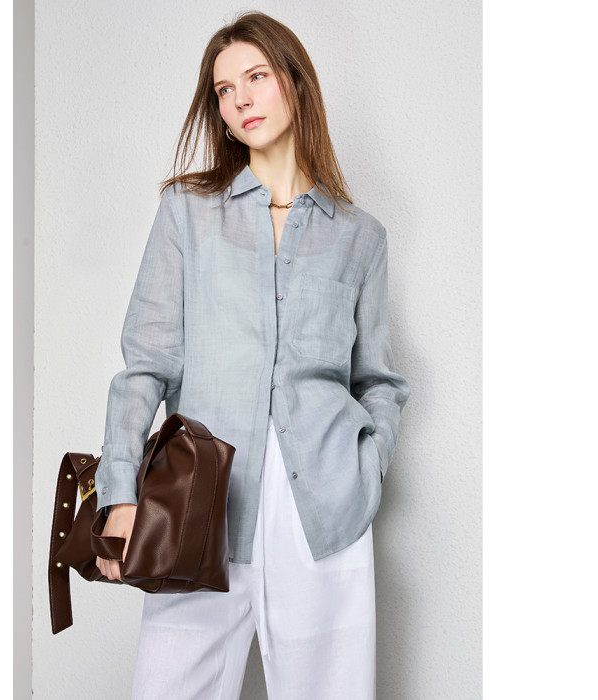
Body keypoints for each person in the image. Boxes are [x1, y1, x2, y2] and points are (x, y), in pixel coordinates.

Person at [94, 10, 411, 699]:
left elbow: (378, 379)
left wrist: (367, 465)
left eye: (256, 77)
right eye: (223, 89)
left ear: (295, 83)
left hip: (322, 507)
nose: (239, 99)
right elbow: (145, 363)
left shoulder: (360, 237)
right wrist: (118, 494)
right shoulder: (186, 212)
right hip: (201, 504)